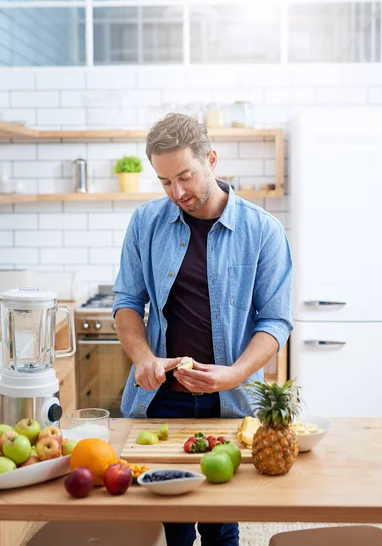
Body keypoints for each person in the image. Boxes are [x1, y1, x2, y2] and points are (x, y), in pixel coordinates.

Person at [112, 113, 293, 546]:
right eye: (164, 182)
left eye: (185, 176)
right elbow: (127, 303)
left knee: (219, 523)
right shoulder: (145, 223)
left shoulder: (263, 231)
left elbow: (275, 320)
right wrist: (144, 359)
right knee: (168, 519)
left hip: (228, 402)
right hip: (162, 400)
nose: (177, 192)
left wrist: (233, 374)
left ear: (211, 159)